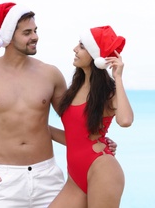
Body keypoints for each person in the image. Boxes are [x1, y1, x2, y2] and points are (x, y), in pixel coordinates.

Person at [0, 2, 117, 208]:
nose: (35, 36)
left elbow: (74, 121)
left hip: (47, 178)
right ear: (8, 37)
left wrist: (97, 141)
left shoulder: (49, 74)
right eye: (27, 32)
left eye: (35, 31)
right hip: (4, 179)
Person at [49, 25, 134, 207]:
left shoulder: (108, 93)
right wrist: (40, 129)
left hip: (103, 169)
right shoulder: (74, 89)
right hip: (75, 177)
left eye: (81, 46)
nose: (75, 49)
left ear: (96, 56)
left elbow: (125, 120)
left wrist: (118, 77)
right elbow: (75, 137)